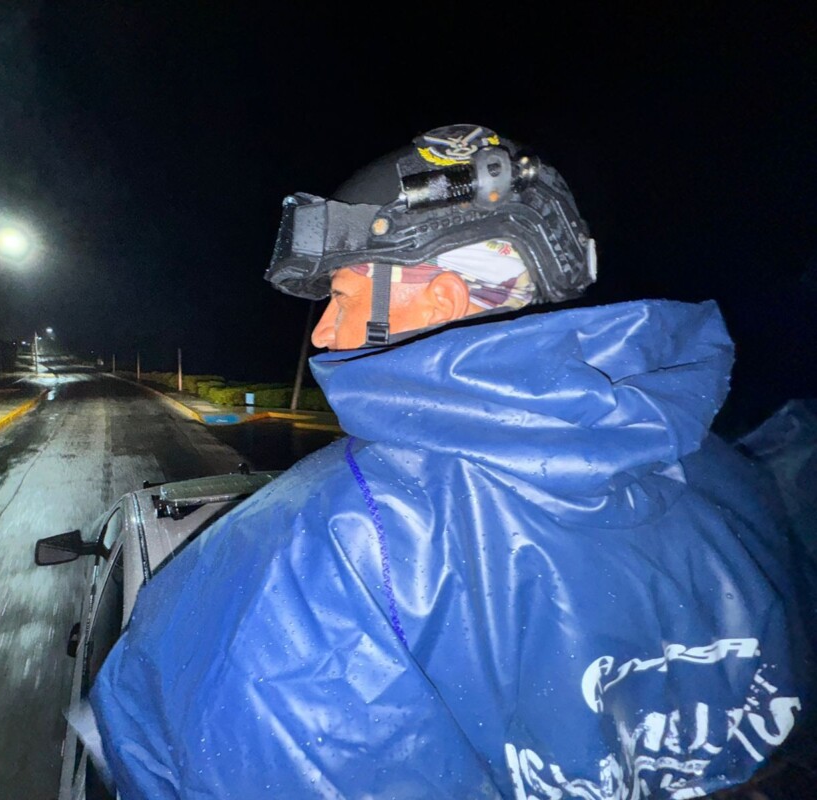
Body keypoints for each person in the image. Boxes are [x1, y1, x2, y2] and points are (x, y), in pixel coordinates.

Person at [89, 124, 816, 798]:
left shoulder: (323, 545)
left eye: (340, 294)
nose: (321, 328)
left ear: (438, 299)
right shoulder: (730, 476)